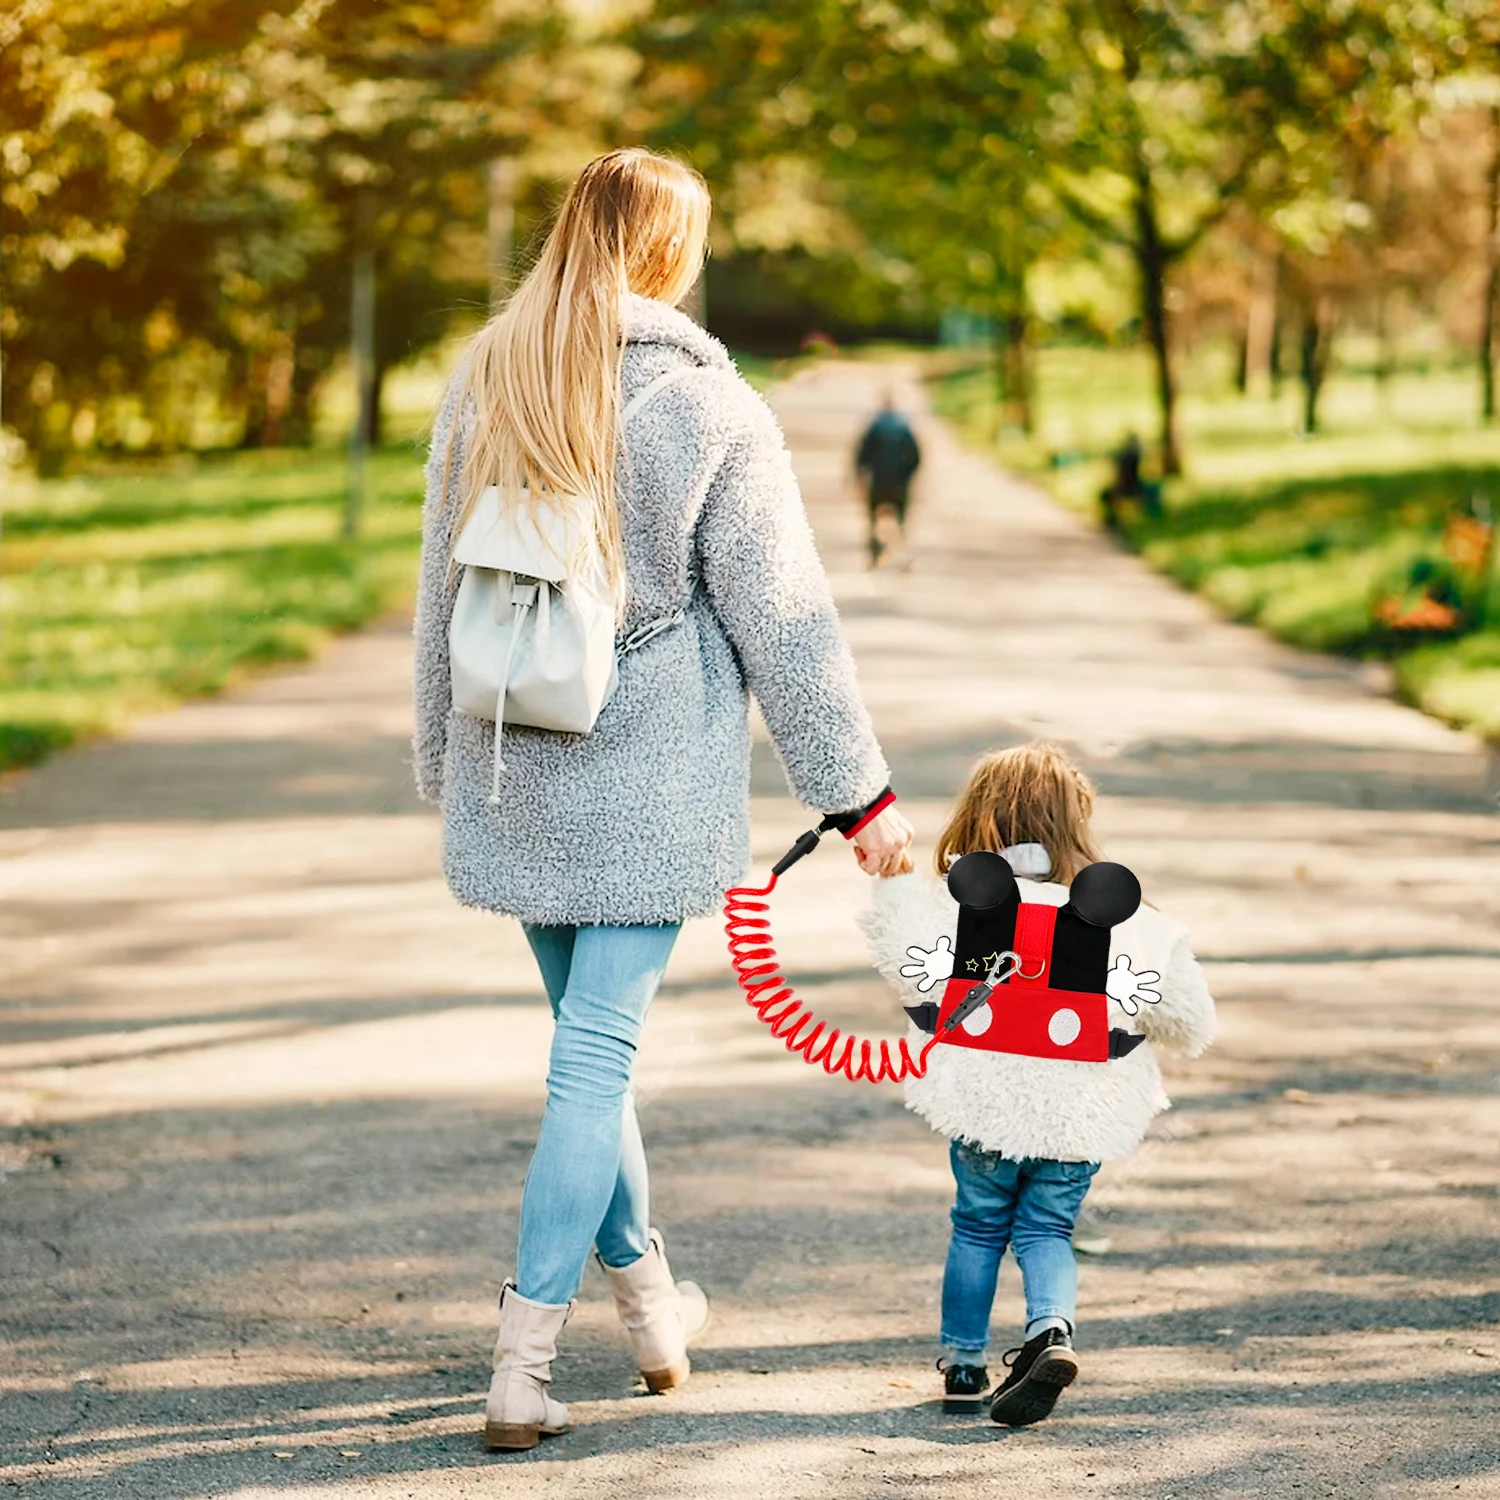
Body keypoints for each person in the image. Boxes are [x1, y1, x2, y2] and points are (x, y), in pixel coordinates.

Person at [410, 148, 915, 1452]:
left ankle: (648, 1313)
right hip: (641, 780)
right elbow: (786, 623)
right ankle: (521, 1365)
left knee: (591, 1051)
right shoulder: (705, 405)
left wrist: (439, 768)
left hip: (513, 766)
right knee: (595, 1060)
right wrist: (861, 801)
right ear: (666, 253)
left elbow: (437, 604)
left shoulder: (488, 379)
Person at [856, 742, 1215, 1426]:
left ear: (978, 819)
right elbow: (1191, 1023)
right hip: (1078, 1118)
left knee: (978, 1227)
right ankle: (1051, 1331)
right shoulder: (1132, 921)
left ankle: (962, 1361)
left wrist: (894, 882)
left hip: (985, 1111)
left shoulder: (961, 906)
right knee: (1047, 1227)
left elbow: (906, 966)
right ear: (1078, 824)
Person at [854, 394, 921, 567]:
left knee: (874, 519)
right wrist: (909, 475)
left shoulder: (874, 426)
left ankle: (875, 554)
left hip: (878, 480)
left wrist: (859, 476)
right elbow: (915, 456)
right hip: (899, 481)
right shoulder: (904, 426)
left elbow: (861, 456)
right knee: (901, 519)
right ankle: (904, 557)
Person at [1098, 432, 1163, 529]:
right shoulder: (1137, 456)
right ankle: (1155, 517)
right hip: (1134, 487)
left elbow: (1115, 473)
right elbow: (1150, 472)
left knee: (1106, 494)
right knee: (1155, 490)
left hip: (1124, 488)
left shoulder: (1121, 456)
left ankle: (1112, 517)